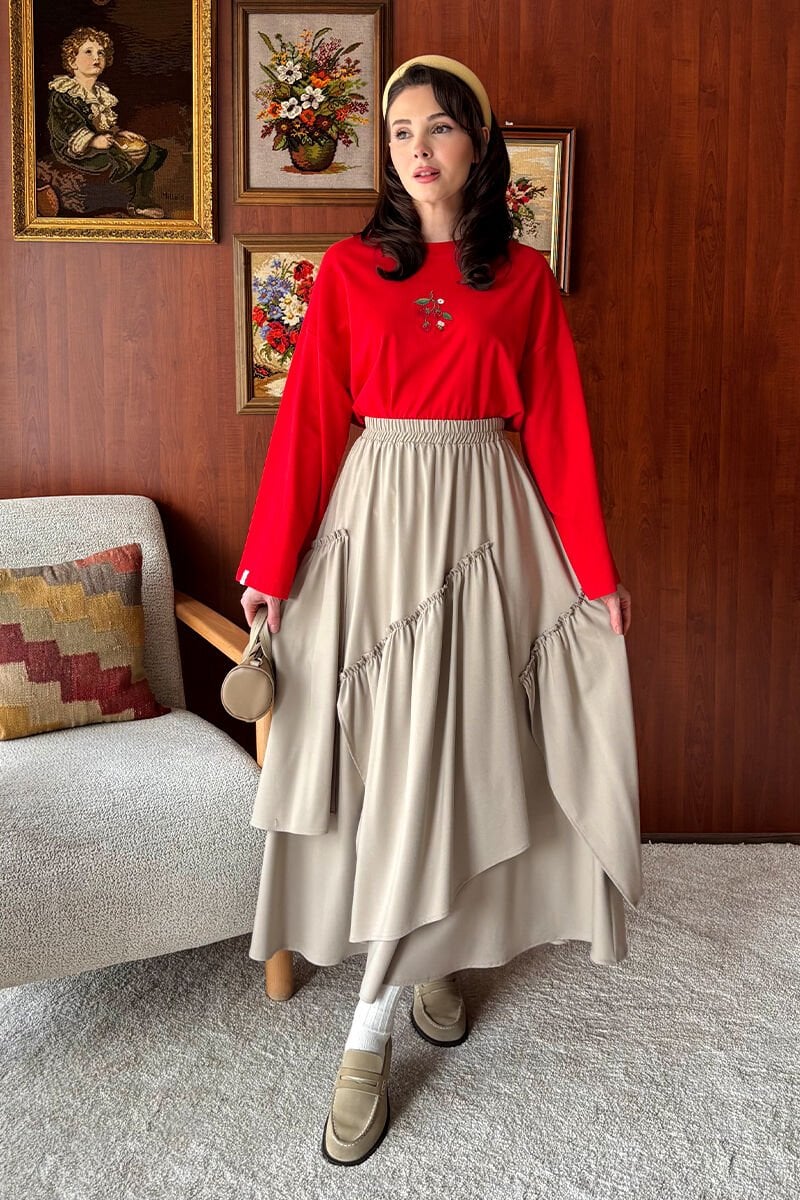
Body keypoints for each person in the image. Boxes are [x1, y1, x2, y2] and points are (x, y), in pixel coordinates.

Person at [237, 54, 643, 1167]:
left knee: (458, 754)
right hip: (375, 530)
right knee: (390, 761)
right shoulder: (348, 271)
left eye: (440, 128)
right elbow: (309, 421)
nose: (418, 148)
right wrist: (270, 563)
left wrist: (594, 574)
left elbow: (557, 428)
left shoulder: (522, 279)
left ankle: (373, 1022)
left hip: (485, 531)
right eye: (401, 131)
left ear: (478, 145)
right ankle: (415, 971)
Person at [46, 26, 167, 218]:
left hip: (99, 140)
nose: (96, 57)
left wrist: (118, 133)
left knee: (151, 152)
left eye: (101, 52)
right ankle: (126, 202)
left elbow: (102, 124)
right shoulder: (64, 93)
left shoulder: (100, 92)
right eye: (88, 52)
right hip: (74, 147)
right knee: (119, 159)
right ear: (72, 61)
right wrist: (93, 141)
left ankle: (142, 200)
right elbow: (67, 126)